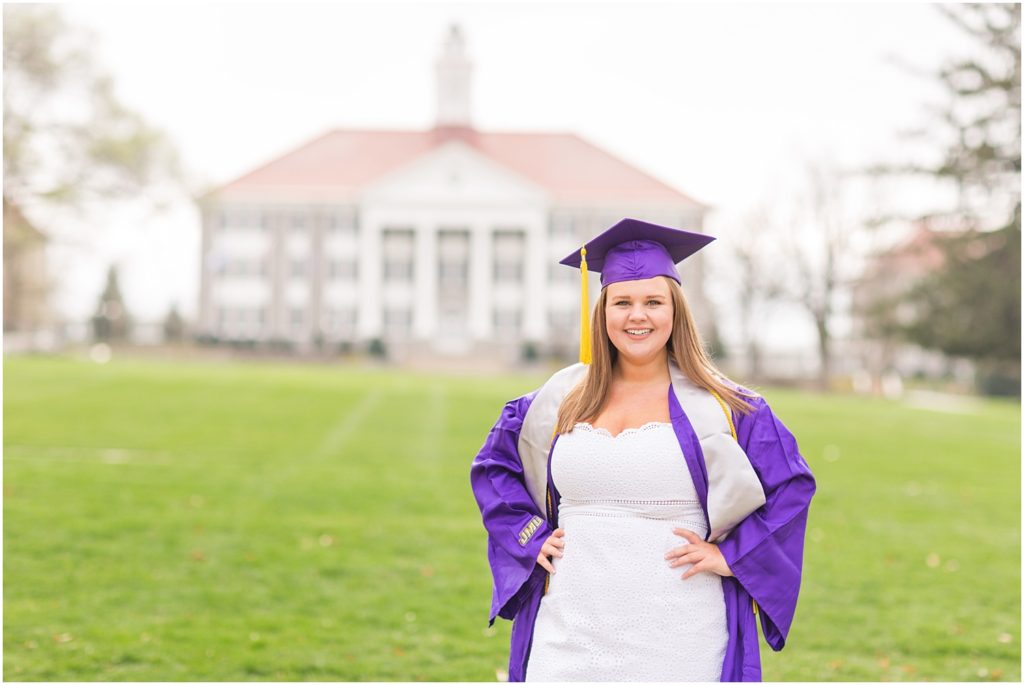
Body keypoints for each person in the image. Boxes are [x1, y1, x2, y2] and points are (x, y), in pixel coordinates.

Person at [470, 218, 816, 682]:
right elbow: (495, 467)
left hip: (681, 632)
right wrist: (529, 536)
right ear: (603, 311)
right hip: (569, 627)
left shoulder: (727, 408)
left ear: (675, 311)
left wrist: (732, 556)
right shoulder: (555, 401)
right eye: (623, 302)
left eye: (654, 302)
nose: (638, 316)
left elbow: (791, 487)